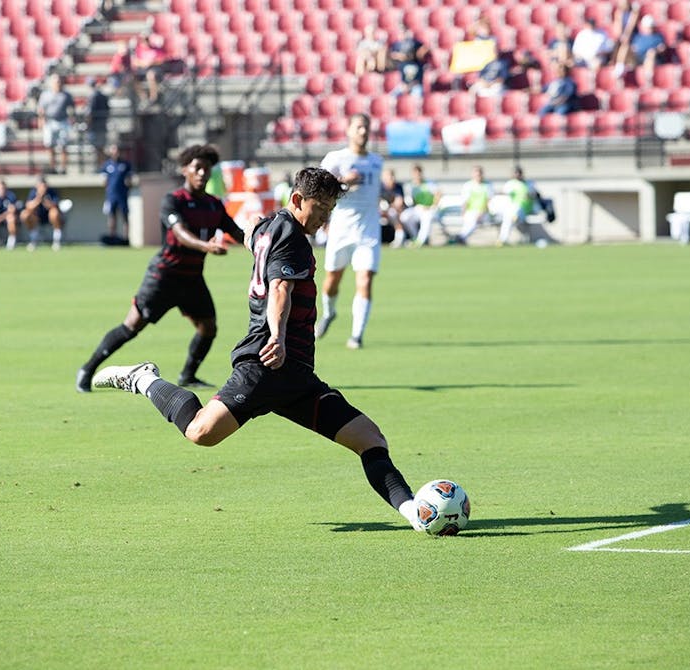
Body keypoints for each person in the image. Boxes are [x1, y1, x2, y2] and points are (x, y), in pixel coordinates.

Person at [89, 166, 426, 533]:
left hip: (296, 377)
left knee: (370, 439)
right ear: (297, 200)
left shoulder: (270, 226)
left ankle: (416, 514)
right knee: (201, 433)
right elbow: (280, 287)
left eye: (331, 209)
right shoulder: (294, 238)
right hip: (265, 365)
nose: (326, 218)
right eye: (321, 208)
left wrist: (252, 232)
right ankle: (143, 379)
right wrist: (277, 337)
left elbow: (253, 238)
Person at [75, 144, 245, 393]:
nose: (202, 174)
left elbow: (237, 233)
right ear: (185, 170)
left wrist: (262, 239)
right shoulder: (173, 201)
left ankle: (188, 375)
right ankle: (87, 370)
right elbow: (180, 233)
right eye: (197, 168)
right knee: (132, 326)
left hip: (192, 280)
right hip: (164, 276)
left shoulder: (213, 205)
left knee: (208, 327)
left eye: (206, 170)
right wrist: (205, 246)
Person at [317, 114, 384, 349]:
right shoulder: (336, 158)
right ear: (348, 130)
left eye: (366, 127)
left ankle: (357, 335)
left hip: (368, 232)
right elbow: (318, 189)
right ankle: (329, 312)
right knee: (332, 281)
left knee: (364, 280)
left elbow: (376, 192)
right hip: (341, 229)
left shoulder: (377, 161)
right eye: (358, 127)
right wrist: (343, 182)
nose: (363, 132)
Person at [399, 164, 445, 247]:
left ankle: (421, 241)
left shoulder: (429, 184)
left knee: (427, 217)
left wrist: (432, 206)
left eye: (418, 173)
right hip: (419, 208)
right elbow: (413, 201)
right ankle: (415, 237)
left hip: (430, 209)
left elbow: (438, 194)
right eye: (415, 174)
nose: (417, 176)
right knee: (404, 216)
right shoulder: (412, 186)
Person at [37, 74, 75, 174]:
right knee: (50, 146)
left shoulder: (66, 95)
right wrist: (41, 120)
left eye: (59, 82)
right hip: (49, 122)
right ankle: (52, 167)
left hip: (63, 121)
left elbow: (71, 108)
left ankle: (63, 168)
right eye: (56, 82)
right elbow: (41, 109)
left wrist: (72, 118)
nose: (58, 84)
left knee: (63, 145)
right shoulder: (45, 95)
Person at [21, 175, 65, 251]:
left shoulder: (52, 192)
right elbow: (29, 206)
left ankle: (56, 241)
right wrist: (39, 198)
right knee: (25, 214)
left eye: (43, 185)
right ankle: (33, 240)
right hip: (37, 217)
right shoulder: (33, 192)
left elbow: (55, 205)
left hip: (49, 217)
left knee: (54, 213)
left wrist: (45, 200)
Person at [454, 165, 494, 245]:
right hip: (470, 211)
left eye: (479, 174)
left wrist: (482, 212)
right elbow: (465, 201)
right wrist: (463, 212)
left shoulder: (487, 185)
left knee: (474, 220)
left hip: (483, 212)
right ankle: (461, 238)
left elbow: (488, 201)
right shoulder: (468, 185)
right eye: (476, 174)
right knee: (469, 220)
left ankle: (460, 237)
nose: (478, 176)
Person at [499, 165, 538, 246]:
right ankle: (503, 240)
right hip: (511, 210)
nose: (517, 174)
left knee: (513, 212)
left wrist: (530, 195)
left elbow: (535, 195)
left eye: (519, 172)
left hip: (525, 210)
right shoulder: (510, 184)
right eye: (515, 173)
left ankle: (503, 239)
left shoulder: (529, 183)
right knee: (509, 216)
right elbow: (503, 195)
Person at [101, 144, 133, 240]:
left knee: (125, 216)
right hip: (111, 195)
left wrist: (128, 184)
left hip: (122, 195)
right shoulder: (107, 165)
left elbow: (129, 179)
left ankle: (126, 238)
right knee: (112, 216)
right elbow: (104, 181)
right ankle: (112, 236)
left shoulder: (126, 164)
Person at [388, 28, 429, 98]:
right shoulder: (402, 65)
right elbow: (402, 79)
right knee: (392, 96)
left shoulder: (418, 65)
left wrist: (409, 86)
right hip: (405, 85)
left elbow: (418, 80)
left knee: (418, 92)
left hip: (414, 86)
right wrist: (405, 86)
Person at [84, 77, 110, 168]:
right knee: (101, 147)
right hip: (102, 125)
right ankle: (102, 165)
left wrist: (88, 125)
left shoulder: (93, 96)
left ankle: (102, 166)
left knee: (98, 148)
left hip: (95, 127)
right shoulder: (103, 96)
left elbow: (90, 113)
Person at [133, 33, 167, 103]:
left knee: (150, 75)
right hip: (143, 69)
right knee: (133, 77)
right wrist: (142, 63)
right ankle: (143, 97)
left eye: (146, 40)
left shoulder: (156, 49)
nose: (144, 42)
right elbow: (135, 61)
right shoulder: (139, 50)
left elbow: (162, 60)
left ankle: (153, 97)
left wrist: (151, 62)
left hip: (155, 69)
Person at [379, 168, 407, 247]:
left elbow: (399, 203)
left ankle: (399, 238)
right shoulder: (379, 187)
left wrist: (388, 208)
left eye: (391, 176)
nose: (389, 178)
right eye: (387, 176)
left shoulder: (398, 187)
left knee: (393, 213)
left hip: (395, 212)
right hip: (380, 212)